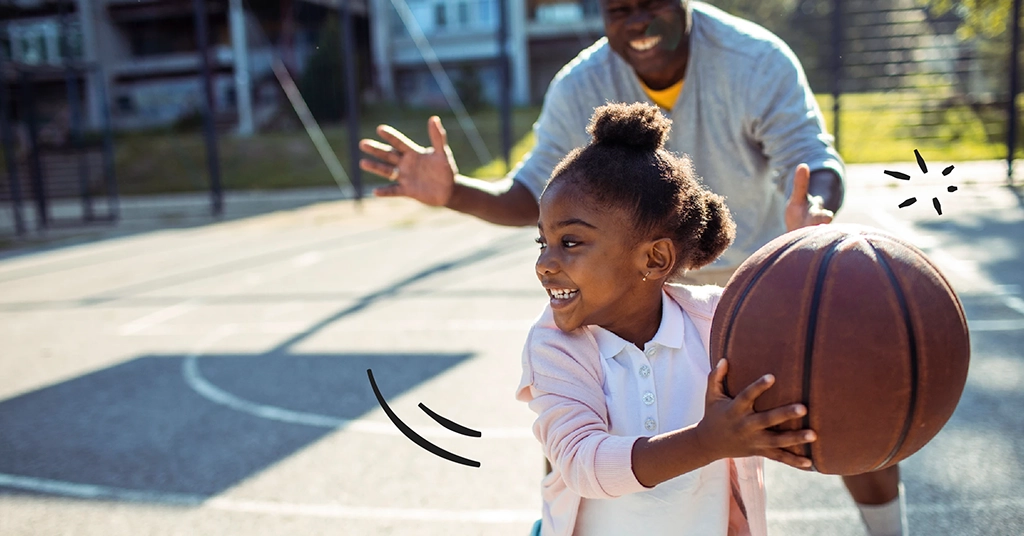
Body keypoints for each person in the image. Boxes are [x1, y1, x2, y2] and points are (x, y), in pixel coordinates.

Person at [360, 2, 905, 534]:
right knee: (574, 440)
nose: (636, 21)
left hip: (744, 280)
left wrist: (812, 213)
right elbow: (531, 193)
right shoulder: (581, 85)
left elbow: (811, 156)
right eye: (618, 10)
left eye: (650, 5)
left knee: (837, 388)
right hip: (611, 284)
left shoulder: (755, 59)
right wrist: (455, 192)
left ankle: (889, 529)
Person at [516, 102, 816, 536]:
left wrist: (805, 253)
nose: (545, 262)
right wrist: (707, 442)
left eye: (570, 241)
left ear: (655, 259)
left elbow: (801, 345)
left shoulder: (716, 321)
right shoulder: (553, 347)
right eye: (542, 241)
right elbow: (584, 465)